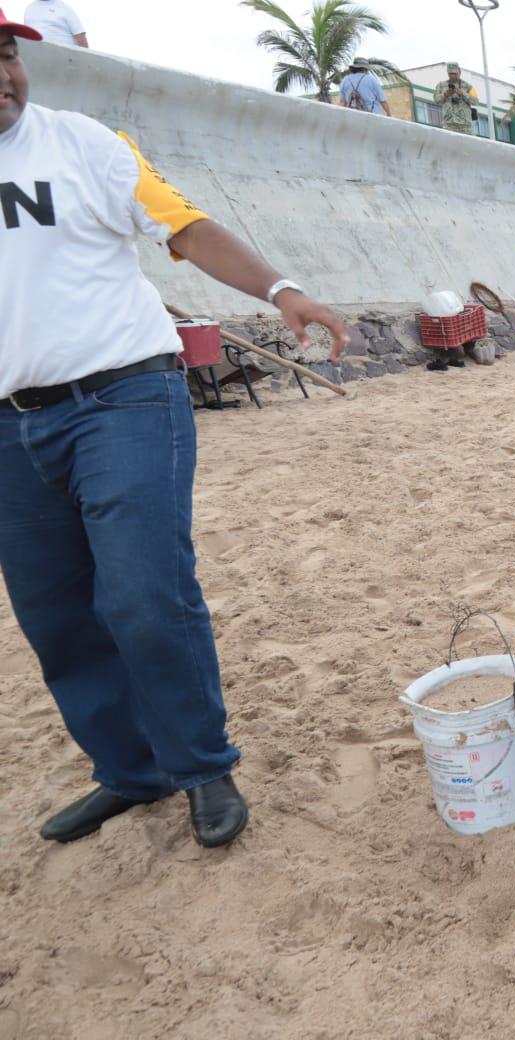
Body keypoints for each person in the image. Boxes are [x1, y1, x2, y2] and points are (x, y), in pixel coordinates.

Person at [0, 14, 351, 848]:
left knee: (143, 594)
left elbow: (185, 228)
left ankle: (201, 767)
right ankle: (130, 772)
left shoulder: (84, 144)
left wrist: (282, 290)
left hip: (122, 400)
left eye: (6, 56)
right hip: (10, 429)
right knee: (55, 617)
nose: (3, 75)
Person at [439, 63, 477, 135]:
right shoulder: (441, 85)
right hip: (448, 125)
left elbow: (476, 101)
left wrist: (463, 94)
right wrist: (445, 94)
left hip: (465, 126)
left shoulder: (468, 86)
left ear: (459, 73)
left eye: (455, 73)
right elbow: (436, 100)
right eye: (451, 73)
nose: (453, 76)